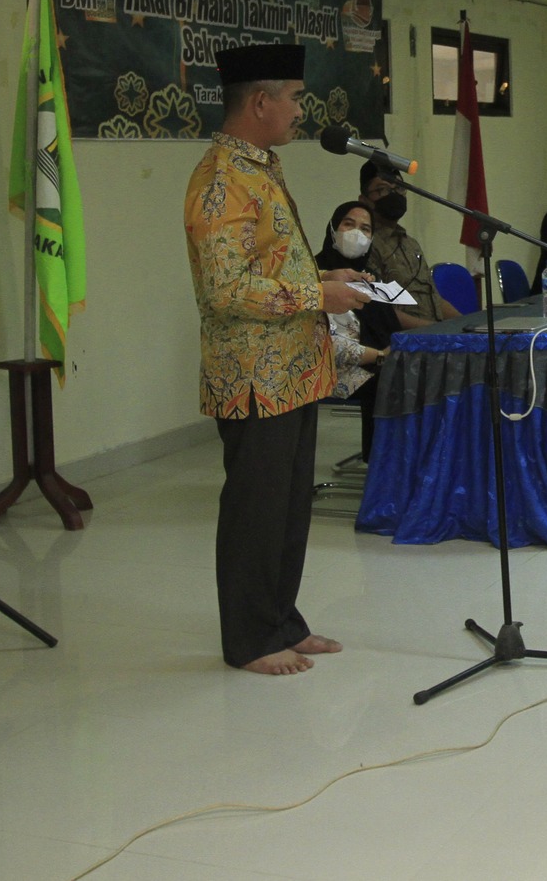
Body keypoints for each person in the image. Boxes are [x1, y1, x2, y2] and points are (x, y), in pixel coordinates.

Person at [185, 44, 372, 676]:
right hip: (252, 377)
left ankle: (281, 621)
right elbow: (225, 289)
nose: (300, 109)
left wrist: (326, 273)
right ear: (260, 101)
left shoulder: (260, 168)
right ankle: (249, 639)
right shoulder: (220, 180)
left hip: (293, 369)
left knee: (288, 509)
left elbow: (268, 267)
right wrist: (319, 293)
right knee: (254, 511)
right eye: (293, 96)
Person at [314, 199, 415, 461]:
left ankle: (419, 462)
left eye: (365, 229)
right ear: (333, 229)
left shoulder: (369, 278)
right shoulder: (315, 276)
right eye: (349, 224)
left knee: (421, 372)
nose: (357, 233)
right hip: (335, 368)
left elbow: (388, 326)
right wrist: (382, 356)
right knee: (392, 379)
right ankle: (383, 467)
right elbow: (328, 344)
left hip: (377, 359)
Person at [358, 161, 459, 321]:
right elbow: (378, 309)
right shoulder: (366, 246)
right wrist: (430, 331)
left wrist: (466, 326)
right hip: (404, 340)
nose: (394, 194)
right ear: (364, 200)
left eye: (399, 188)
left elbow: (434, 299)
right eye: (382, 189)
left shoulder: (411, 244)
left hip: (434, 336)